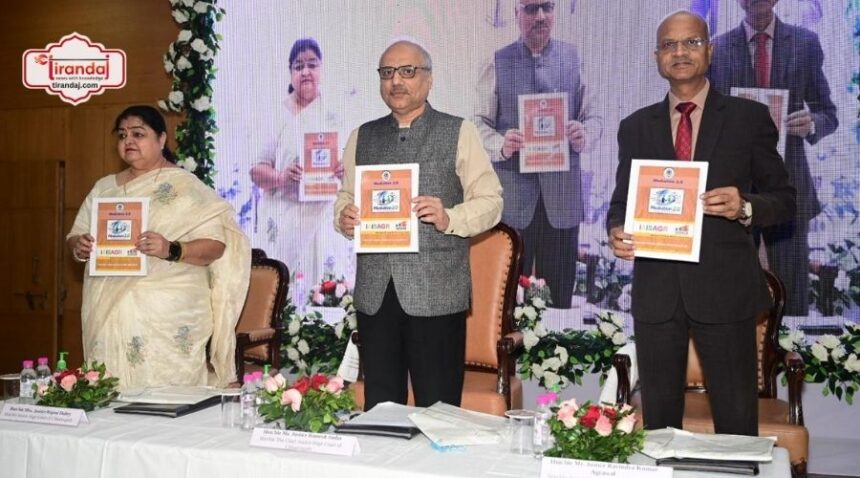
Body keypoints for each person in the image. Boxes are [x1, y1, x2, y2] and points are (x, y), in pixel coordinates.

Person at [606, 11, 795, 435]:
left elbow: (785, 200)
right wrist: (616, 230)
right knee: (659, 429)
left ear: (710, 50)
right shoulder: (635, 127)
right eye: (669, 45)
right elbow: (621, 203)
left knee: (735, 426)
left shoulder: (748, 118)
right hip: (657, 296)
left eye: (691, 43)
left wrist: (745, 206)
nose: (680, 52)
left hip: (725, 292)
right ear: (657, 57)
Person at [335, 40, 503, 410]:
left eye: (408, 71)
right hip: (376, 295)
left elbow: (491, 201)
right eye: (387, 73)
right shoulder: (362, 136)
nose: (396, 81)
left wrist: (450, 217)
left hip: (436, 294)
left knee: (438, 410)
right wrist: (344, 216)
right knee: (381, 410)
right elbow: (346, 195)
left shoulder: (459, 132)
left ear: (428, 79)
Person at [67, 105, 250, 390]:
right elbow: (76, 234)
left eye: (138, 134)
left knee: (168, 395)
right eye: (122, 135)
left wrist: (171, 249)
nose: (128, 141)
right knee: (109, 386)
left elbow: (215, 246)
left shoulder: (186, 187)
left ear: (162, 139)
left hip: (168, 310)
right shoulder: (104, 188)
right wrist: (79, 246)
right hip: (109, 304)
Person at [708, 0, 837, 316]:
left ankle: (790, 348)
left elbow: (828, 113)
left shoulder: (805, 43)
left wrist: (812, 123)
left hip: (789, 187)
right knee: (729, 293)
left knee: (790, 297)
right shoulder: (717, 49)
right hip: (734, 189)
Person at [474, 0, 602, 309]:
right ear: (517, 13)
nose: (541, 16)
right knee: (506, 303)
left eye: (547, 7)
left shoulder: (576, 58)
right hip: (513, 201)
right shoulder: (496, 61)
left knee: (559, 300)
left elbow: (595, 119)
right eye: (531, 9)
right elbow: (478, 124)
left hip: (562, 200)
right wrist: (501, 144)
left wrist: (584, 134)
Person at [250, 38, 349, 289]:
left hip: (323, 217)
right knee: (281, 290)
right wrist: (282, 177)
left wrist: (343, 169)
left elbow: (352, 166)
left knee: (324, 289)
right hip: (283, 217)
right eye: (298, 66)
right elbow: (256, 171)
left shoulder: (335, 114)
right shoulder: (276, 115)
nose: (305, 71)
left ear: (321, 70)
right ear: (290, 72)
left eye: (312, 65)